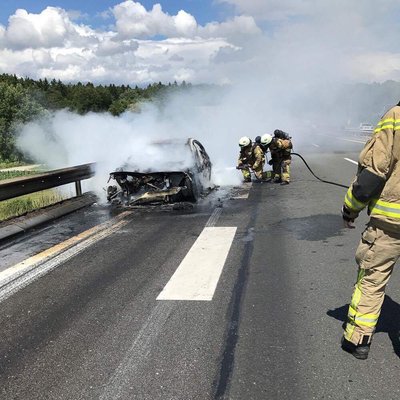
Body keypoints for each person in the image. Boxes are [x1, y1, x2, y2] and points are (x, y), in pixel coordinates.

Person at [341, 102, 400, 360]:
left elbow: (374, 173)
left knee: (372, 280)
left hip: (390, 225)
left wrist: (350, 208)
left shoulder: (395, 116)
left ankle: (359, 340)